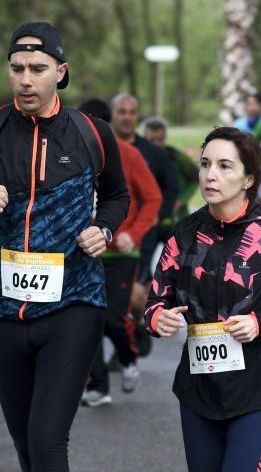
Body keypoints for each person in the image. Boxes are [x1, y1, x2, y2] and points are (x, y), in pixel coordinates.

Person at [0, 22, 129, 471]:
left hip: (73, 304)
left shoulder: (91, 133)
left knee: (47, 440)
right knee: (26, 445)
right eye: (17, 68)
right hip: (3, 311)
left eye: (37, 69)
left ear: (60, 72)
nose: (26, 79)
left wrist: (103, 228)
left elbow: (119, 195)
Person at [144, 127, 261, 472]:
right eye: (205, 164)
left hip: (257, 386)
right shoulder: (185, 233)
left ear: (248, 178)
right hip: (198, 387)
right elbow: (155, 301)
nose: (211, 175)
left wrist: (259, 321)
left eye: (225, 166)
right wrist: (157, 318)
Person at [77, 98, 162, 407]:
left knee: (112, 319)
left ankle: (128, 358)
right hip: (84, 252)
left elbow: (153, 198)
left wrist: (133, 234)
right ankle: (98, 386)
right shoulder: (69, 155)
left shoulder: (128, 155)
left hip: (121, 253)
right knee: (87, 320)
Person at [110, 93, 178, 355]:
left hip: (141, 235)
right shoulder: (102, 148)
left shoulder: (151, 153)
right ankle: (121, 337)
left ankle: (131, 328)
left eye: (132, 112)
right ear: (113, 115)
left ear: (138, 116)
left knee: (137, 294)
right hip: (105, 237)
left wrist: (160, 213)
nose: (127, 117)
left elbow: (170, 184)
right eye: (122, 111)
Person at [143, 116, 199, 232]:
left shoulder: (178, 157)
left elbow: (196, 177)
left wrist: (180, 200)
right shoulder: (139, 159)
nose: (157, 144)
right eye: (152, 140)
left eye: (160, 139)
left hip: (176, 218)